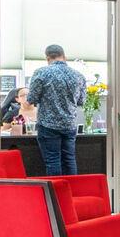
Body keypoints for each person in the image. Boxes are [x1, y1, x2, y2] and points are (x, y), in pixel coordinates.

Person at [26, 44, 86, 175]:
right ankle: (72, 191)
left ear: (47, 58)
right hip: (69, 124)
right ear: (64, 56)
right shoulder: (78, 76)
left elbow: (31, 99)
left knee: (53, 161)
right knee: (69, 159)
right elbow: (81, 101)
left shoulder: (41, 73)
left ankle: (56, 194)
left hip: (48, 125)